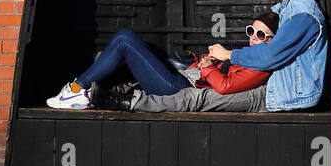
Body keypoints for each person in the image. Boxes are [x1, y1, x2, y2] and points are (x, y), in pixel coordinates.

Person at [132, 0, 328, 113]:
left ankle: (133, 102)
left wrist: (229, 55)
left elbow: (270, 56)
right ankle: (133, 96)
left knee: (198, 98)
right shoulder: (291, 10)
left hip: (285, 97)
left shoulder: (302, 15)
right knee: (197, 95)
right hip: (276, 89)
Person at [46, 10, 279, 111]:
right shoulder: (249, 53)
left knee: (125, 39)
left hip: (179, 89)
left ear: (274, 40)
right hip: (186, 77)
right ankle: (93, 88)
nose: (253, 39)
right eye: (251, 31)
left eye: (260, 35)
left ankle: (76, 89)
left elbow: (226, 86)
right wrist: (206, 62)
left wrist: (208, 68)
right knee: (134, 46)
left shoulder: (261, 67)